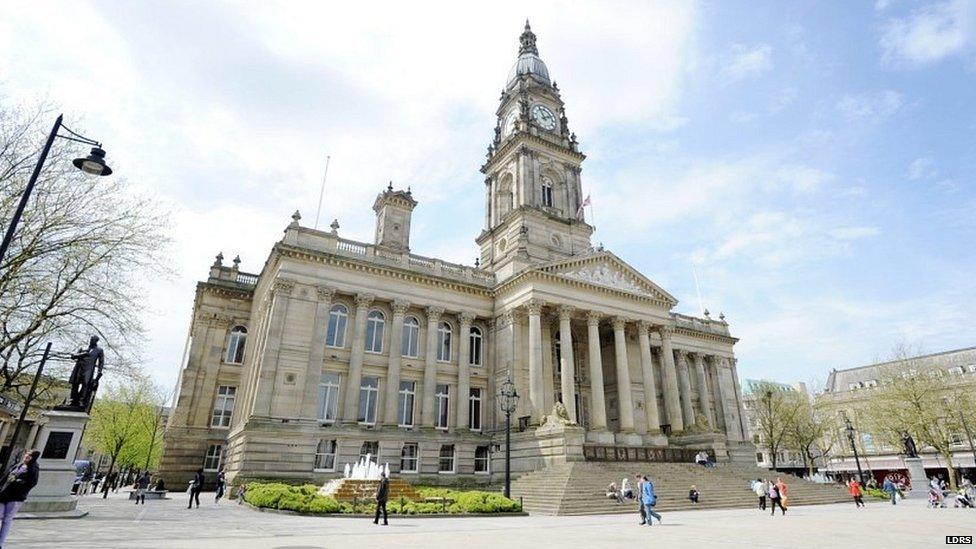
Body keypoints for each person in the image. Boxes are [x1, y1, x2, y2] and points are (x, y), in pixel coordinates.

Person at [0, 450, 41, 547]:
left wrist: (18, 483)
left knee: (7, 519)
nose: (25, 458)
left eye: (28, 457)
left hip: (16, 497)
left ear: (33, 458)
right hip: (4, 494)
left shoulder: (33, 468)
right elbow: (6, 477)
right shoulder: (18, 465)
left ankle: (0, 543)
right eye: (25, 456)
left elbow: (32, 483)